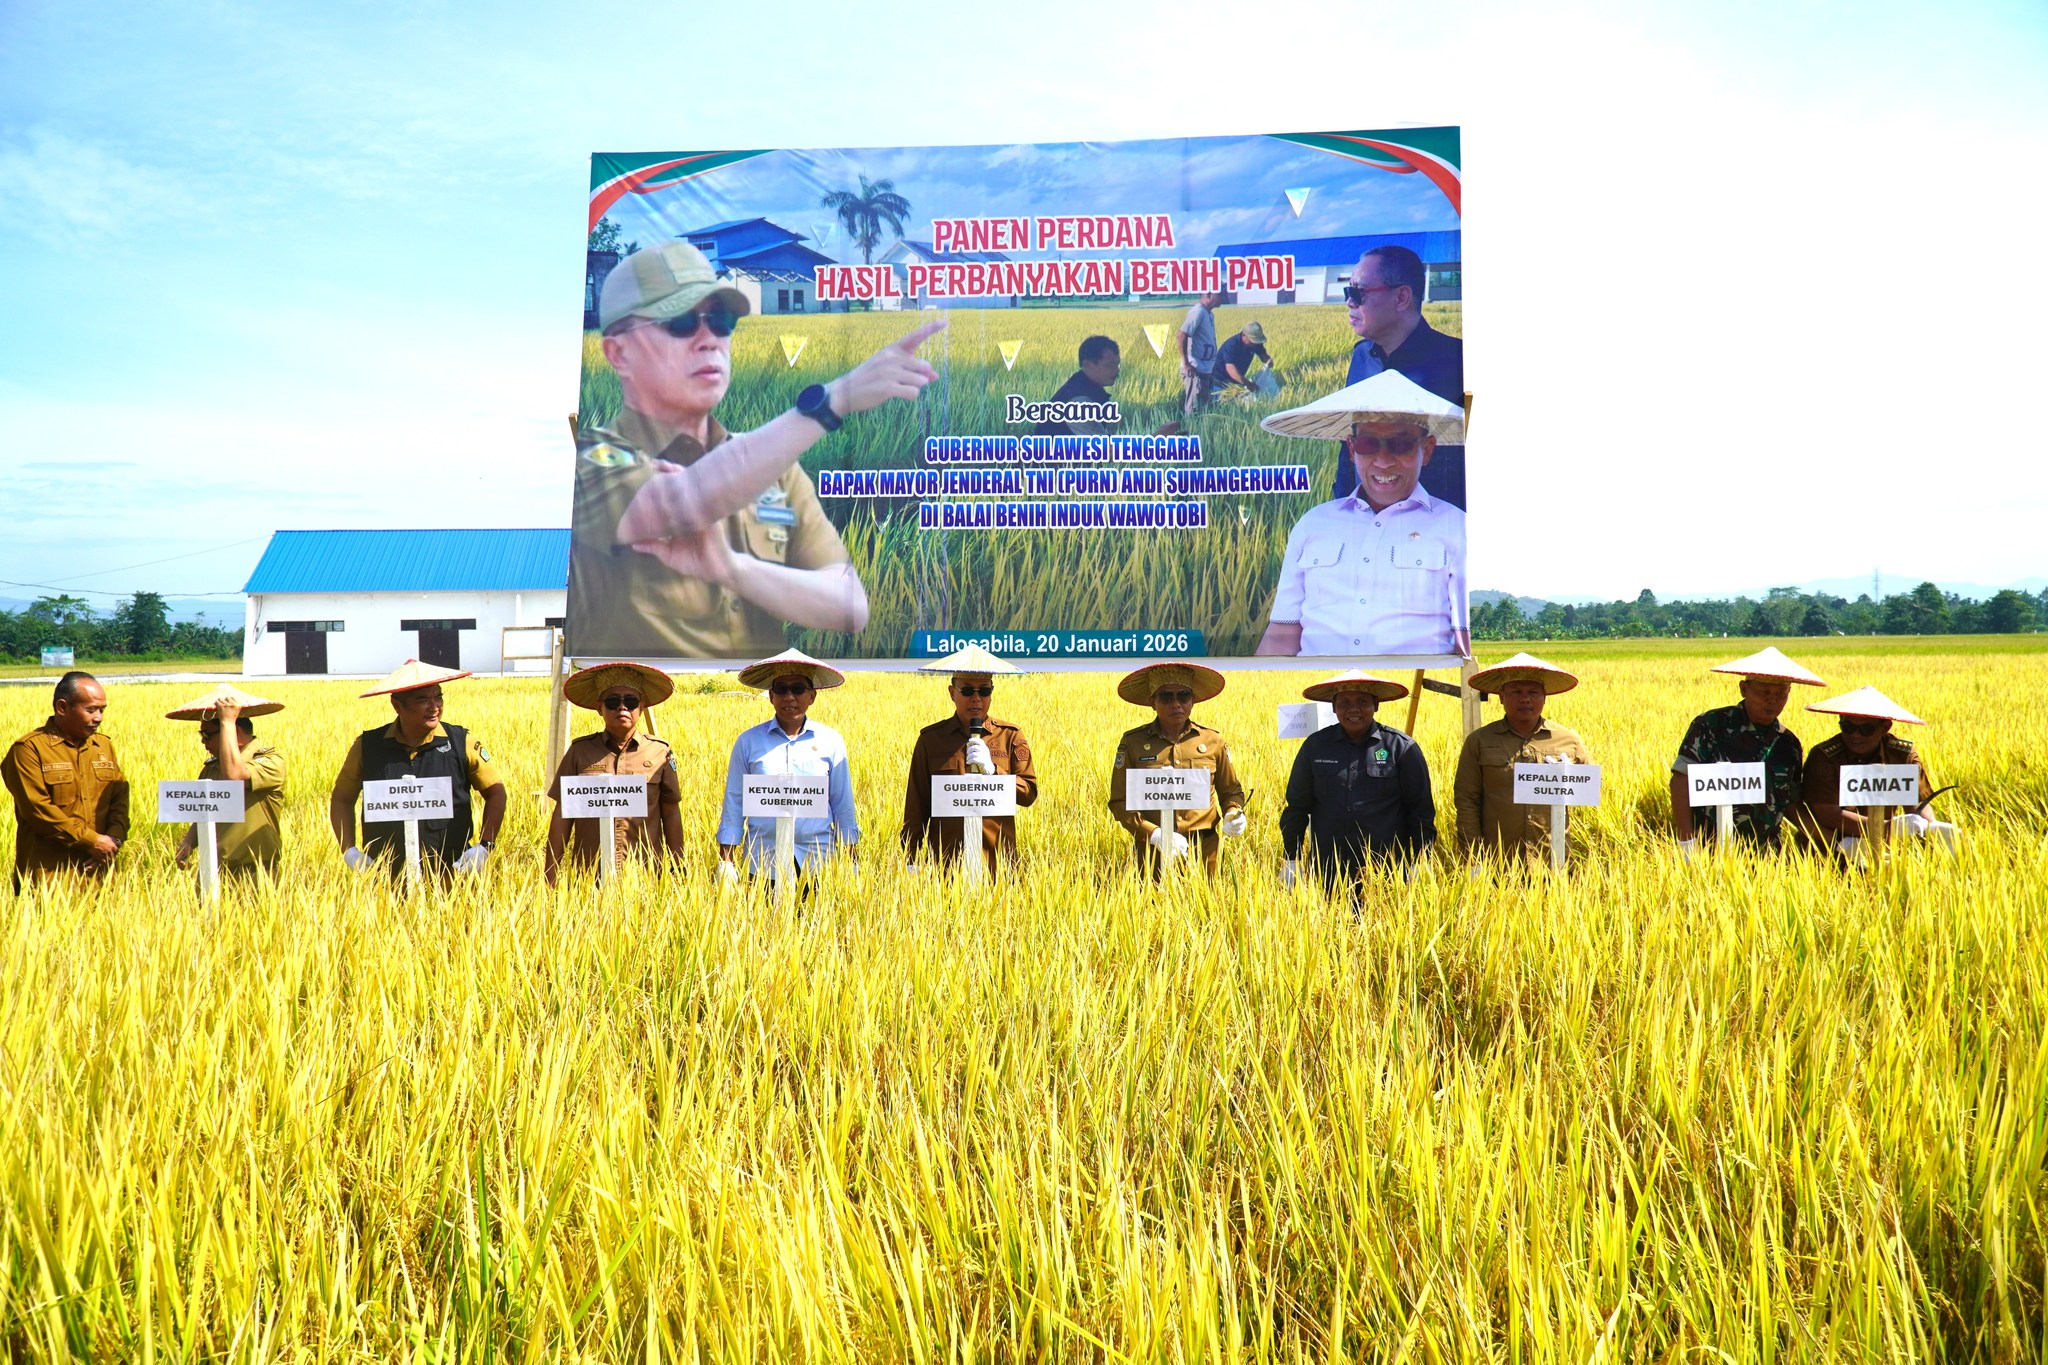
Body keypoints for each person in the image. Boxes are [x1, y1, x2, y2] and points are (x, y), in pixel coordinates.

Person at [568, 240, 946, 658]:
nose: (709, 340)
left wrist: (733, 569)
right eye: (680, 322)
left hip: (766, 693)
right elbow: (679, 503)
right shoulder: (588, 461)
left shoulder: (775, 468)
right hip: (653, 696)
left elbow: (850, 606)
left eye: (721, 321)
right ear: (618, 353)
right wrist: (833, 400)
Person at [1255, 369, 1469, 657]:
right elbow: (1281, 637)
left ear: (1427, 450)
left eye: (1400, 445)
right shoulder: (1313, 524)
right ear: (1352, 449)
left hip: (1410, 681)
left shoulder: (1456, 526)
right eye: (1369, 445)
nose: (1383, 461)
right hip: (1317, 681)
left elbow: (1465, 644)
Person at [330, 660, 507, 878]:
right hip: (385, 878)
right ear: (397, 706)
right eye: (423, 700)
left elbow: (496, 791)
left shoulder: (461, 743)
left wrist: (485, 846)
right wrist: (349, 851)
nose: (434, 707)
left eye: (438, 697)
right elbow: (342, 798)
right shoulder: (368, 747)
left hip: (451, 876)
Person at [1331, 244, 1465, 507]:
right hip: (1366, 520)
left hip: (1438, 522)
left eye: (1358, 293)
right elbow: (1348, 449)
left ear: (1402, 297)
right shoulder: (1361, 358)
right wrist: (1341, 505)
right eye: (1348, 291)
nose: (1349, 302)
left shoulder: (1459, 362)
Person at [1279, 670, 1435, 889]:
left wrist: (1422, 860)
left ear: (1376, 704)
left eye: (1362, 701)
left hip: (1386, 873)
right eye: (1344, 702)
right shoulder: (1315, 747)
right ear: (1333, 707)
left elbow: (1421, 811)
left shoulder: (1401, 748)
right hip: (1327, 872)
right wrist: (1291, 859)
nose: (1353, 709)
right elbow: (1297, 807)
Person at [717, 649, 859, 884]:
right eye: (782, 689)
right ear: (772, 696)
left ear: (812, 696)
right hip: (762, 861)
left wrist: (851, 859)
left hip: (818, 861)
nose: (789, 697)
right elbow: (734, 801)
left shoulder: (830, 741)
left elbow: (842, 802)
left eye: (798, 689)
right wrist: (726, 861)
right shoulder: (748, 741)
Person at [1669, 646, 1823, 857]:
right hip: (1709, 852)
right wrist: (1687, 843)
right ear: (1744, 689)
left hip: (1768, 856)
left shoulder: (1788, 744)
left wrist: (1828, 839)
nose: (1772, 700)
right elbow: (1681, 780)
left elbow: (1791, 803)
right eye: (1764, 692)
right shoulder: (1712, 726)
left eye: (1781, 693)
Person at [901, 644, 1039, 875]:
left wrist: (993, 771)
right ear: (952, 693)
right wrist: (911, 857)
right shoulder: (931, 740)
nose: (976, 699)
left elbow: (1029, 794)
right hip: (945, 868)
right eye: (967, 691)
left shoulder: (1010, 736)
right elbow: (917, 803)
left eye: (984, 691)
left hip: (997, 866)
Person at [545, 661, 684, 884]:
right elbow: (562, 815)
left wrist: (679, 870)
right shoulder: (579, 751)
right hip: (588, 877)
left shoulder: (660, 752)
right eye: (612, 702)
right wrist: (550, 877)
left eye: (630, 701)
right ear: (599, 708)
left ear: (641, 707)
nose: (622, 708)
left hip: (644, 877)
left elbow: (671, 813)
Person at [1107, 663, 1247, 877]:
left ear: (1193, 700)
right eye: (1166, 697)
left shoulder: (1212, 741)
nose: (1176, 704)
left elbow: (1230, 790)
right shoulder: (1133, 743)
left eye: (1183, 696)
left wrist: (1233, 812)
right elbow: (1120, 801)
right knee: (1152, 899)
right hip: (1153, 851)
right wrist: (1155, 834)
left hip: (1204, 850)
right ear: (1152, 702)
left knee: (1210, 898)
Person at [1453, 652, 1592, 861]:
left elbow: (1587, 788)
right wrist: (1473, 856)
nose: (1525, 699)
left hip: (1552, 858)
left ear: (1544, 697)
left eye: (1533, 692)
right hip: (1498, 859)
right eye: (1516, 692)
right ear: (1501, 697)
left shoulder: (1568, 740)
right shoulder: (1480, 741)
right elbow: (1466, 799)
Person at [1793, 686, 1952, 861]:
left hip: (1885, 850)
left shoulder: (1901, 755)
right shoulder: (1824, 757)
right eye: (1847, 727)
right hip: (1830, 849)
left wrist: (1930, 827)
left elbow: (1916, 803)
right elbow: (1828, 813)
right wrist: (1885, 828)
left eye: (1866, 729)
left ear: (1885, 727)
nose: (1855, 735)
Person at [3, 670, 127, 890]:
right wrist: (91, 842)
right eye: (91, 710)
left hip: (100, 875)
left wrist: (113, 840)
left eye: (102, 710)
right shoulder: (29, 750)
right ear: (62, 707)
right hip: (50, 878)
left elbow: (119, 798)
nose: (99, 718)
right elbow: (38, 810)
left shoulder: (103, 746)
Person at [166, 685, 287, 879]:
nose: (203, 742)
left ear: (234, 732)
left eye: (208, 735)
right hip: (213, 871)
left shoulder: (271, 762)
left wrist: (227, 721)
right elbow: (206, 809)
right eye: (201, 736)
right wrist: (189, 841)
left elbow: (235, 777)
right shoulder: (212, 767)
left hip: (256, 873)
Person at [1177, 288, 1225, 415]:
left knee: (1204, 408)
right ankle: (1191, 426)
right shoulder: (1197, 312)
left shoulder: (1209, 314)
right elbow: (1182, 335)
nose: (1223, 297)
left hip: (1205, 369)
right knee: (1194, 408)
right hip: (1195, 369)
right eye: (1220, 294)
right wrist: (1186, 363)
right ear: (1208, 294)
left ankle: (1200, 426)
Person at [1214, 320, 1278, 395]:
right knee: (1222, 399)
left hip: (1237, 380)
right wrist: (1247, 383)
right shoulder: (1232, 345)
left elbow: (1263, 355)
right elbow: (1230, 368)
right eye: (1252, 341)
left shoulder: (1255, 344)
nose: (1254, 344)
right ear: (1244, 335)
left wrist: (1268, 360)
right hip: (1219, 380)